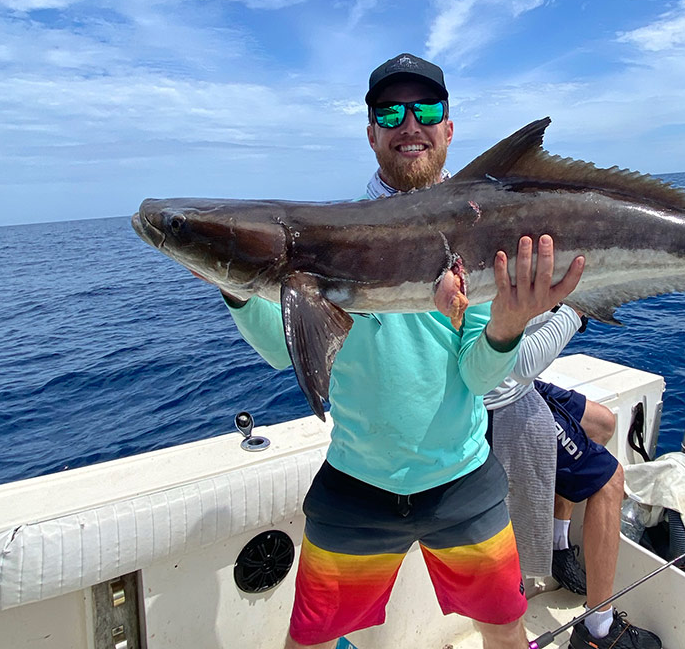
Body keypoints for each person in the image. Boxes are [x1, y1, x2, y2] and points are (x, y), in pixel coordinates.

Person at [219, 53, 585, 649]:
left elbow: (476, 374)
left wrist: (509, 324)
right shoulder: (335, 231)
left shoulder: (481, 232)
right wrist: (235, 288)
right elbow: (283, 352)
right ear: (371, 133)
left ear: (447, 128)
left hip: (461, 480)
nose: (408, 124)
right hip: (357, 482)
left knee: (505, 630)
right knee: (308, 642)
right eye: (390, 111)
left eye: (426, 109)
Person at [484, 306, 662, 649]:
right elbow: (522, 361)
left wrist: (551, 304)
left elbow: (518, 319)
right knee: (609, 481)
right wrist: (574, 310)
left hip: (519, 384)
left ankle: (557, 543)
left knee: (603, 423)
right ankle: (598, 629)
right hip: (501, 400)